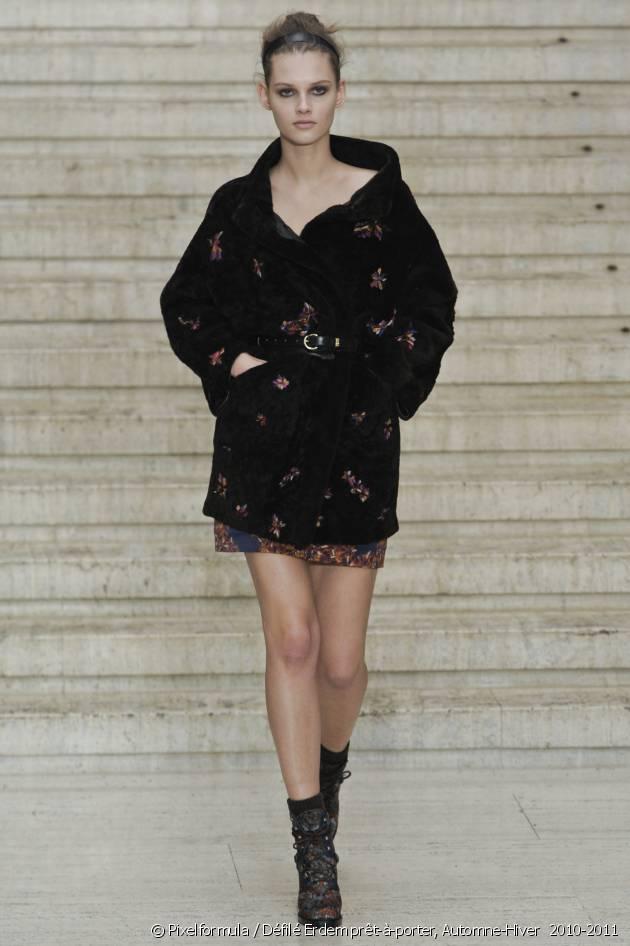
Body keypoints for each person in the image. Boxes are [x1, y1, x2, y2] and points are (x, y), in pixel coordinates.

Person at [160, 10, 458, 928]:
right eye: (286, 91)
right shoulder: (238, 208)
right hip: (263, 446)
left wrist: (379, 383)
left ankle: (328, 779)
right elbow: (186, 302)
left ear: (339, 93)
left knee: (339, 661)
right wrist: (239, 367)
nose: (302, 106)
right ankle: (312, 846)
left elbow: (431, 304)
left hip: (354, 448)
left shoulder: (381, 200)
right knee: (290, 642)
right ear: (264, 96)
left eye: (317, 89)